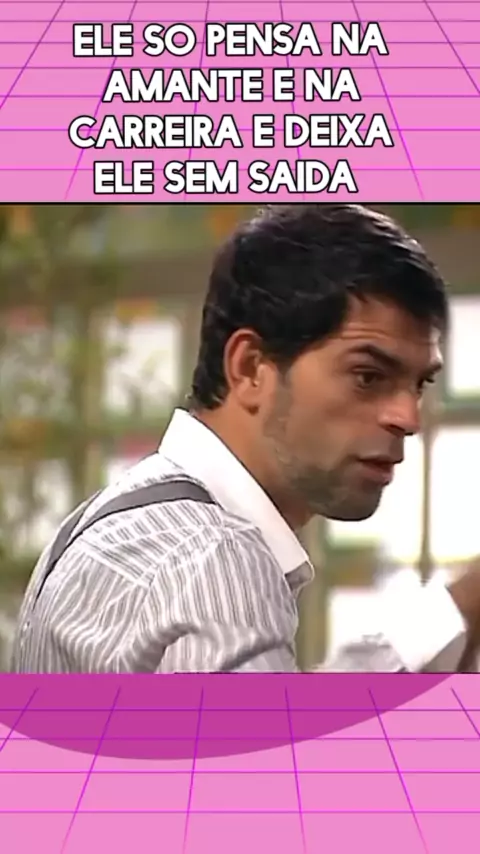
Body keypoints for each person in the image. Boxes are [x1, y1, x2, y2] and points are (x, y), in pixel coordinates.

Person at [10, 203, 480, 673]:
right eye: (368, 376)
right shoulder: (209, 556)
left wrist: (461, 606)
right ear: (250, 368)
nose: (408, 417)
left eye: (419, 384)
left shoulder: (115, 523)